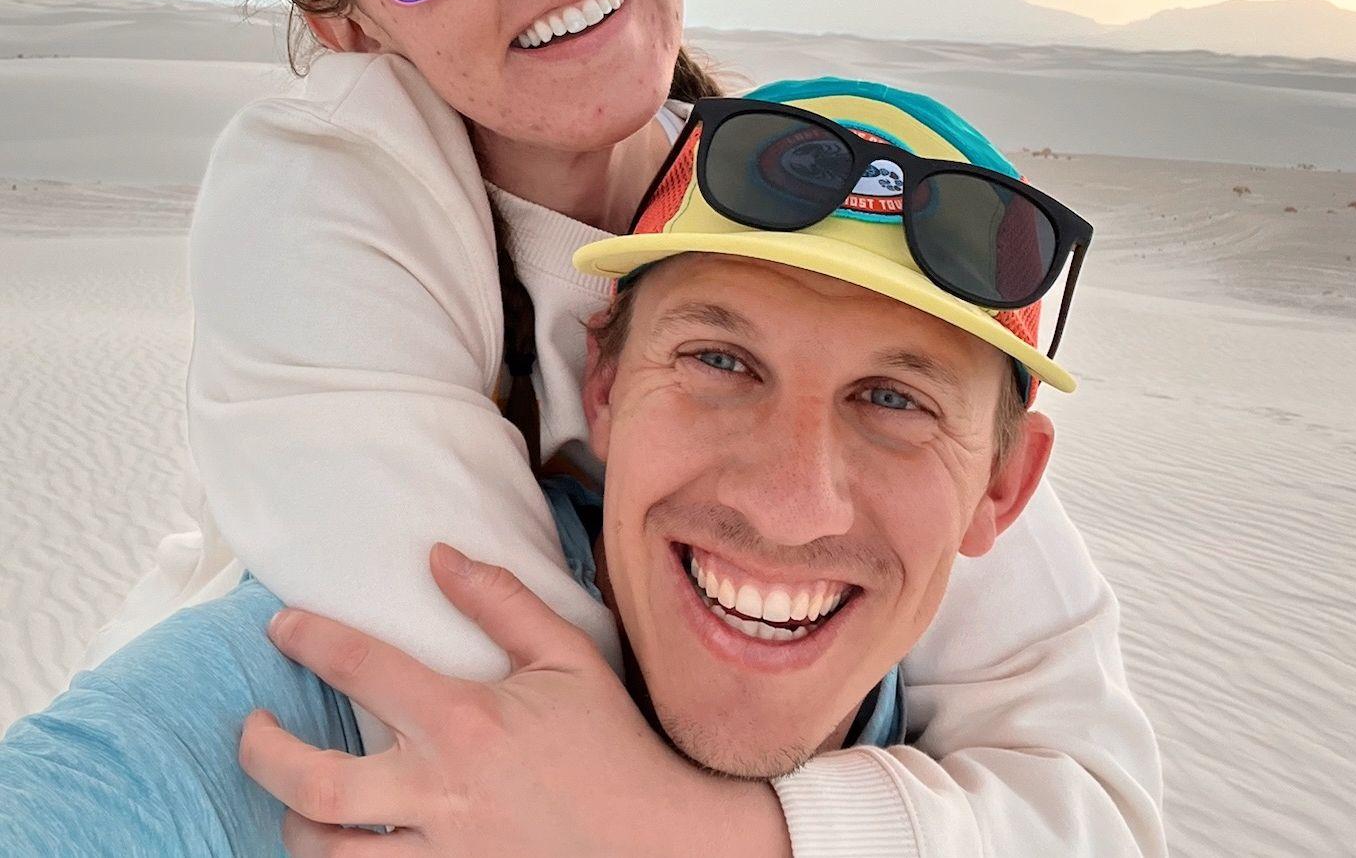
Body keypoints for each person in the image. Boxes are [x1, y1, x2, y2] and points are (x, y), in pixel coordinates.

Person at [66, 0, 1162, 852]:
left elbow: (1088, 787)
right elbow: (502, 698)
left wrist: (694, 833)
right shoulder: (321, 191)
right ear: (346, 20)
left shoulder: (812, 216)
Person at [0, 82, 1111, 858]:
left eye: (894, 401)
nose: (787, 502)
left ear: (1003, 492)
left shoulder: (980, 763)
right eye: (720, 361)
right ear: (608, 387)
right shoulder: (353, 683)